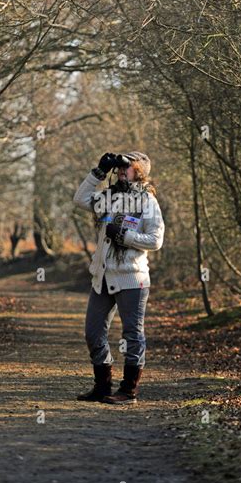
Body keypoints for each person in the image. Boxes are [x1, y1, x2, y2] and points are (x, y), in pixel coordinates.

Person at [73, 151, 165, 404]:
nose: (122, 171)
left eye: (129, 167)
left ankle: (128, 391)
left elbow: (156, 240)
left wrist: (125, 236)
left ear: (140, 172)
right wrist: (99, 172)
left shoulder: (147, 201)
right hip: (102, 276)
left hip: (132, 278)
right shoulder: (108, 197)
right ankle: (102, 386)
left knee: (132, 335)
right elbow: (80, 199)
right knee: (93, 332)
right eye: (120, 167)